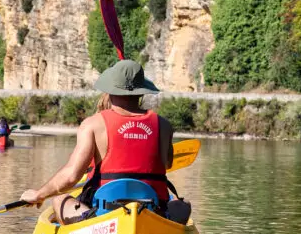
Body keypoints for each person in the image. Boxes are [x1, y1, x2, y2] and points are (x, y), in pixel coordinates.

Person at [20, 59, 183, 225]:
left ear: (110, 90)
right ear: (141, 92)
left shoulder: (93, 124)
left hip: (103, 215)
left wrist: (39, 194)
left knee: (59, 200)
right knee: (182, 206)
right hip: (152, 211)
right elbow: (167, 164)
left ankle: (86, 226)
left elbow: (71, 177)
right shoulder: (164, 125)